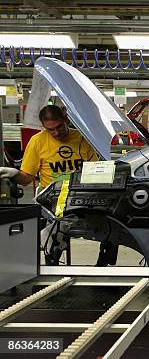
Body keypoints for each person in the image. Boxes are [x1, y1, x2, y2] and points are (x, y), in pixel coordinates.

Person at [0, 105, 102, 265]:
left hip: (85, 198)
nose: (56, 133)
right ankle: (52, 263)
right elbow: (27, 178)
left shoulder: (83, 139)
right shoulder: (37, 142)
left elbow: (97, 171)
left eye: (59, 127)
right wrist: (13, 173)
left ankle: (102, 266)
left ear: (65, 120)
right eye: (50, 130)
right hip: (54, 201)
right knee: (50, 233)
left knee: (112, 225)